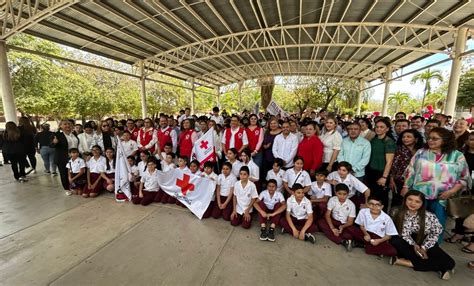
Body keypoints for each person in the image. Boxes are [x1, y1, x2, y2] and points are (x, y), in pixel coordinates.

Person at [402, 127, 472, 232]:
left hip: (443, 196)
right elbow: (410, 171)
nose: (430, 140)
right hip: (419, 195)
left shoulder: (457, 155)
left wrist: (451, 191)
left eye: (435, 138)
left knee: (437, 223)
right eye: (429, 138)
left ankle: (433, 246)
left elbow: (464, 177)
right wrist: (405, 186)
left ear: (445, 140)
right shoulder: (421, 152)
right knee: (416, 221)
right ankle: (414, 243)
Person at [390, 190, 455, 280]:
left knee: (450, 263)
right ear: (405, 199)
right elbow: (404, 234)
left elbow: (436, 232)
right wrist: (414, 245)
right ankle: (441, 267)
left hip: (425, 240)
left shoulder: (430, 216)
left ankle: (406, 262)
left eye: (417, 201)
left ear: (422, 203)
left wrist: (424, 247)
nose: (413, 203)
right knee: (396, 241)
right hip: (407, 241)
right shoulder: (397, 211)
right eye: (410, 199)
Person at [366, 118, 396, 211]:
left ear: (387, 129)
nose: (378, 129)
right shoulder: (374, 140)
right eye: (377, 127)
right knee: (372, 196)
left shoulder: (389, 142)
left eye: (382, 127)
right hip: (371, 171)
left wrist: (384, 177)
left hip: (382, 173)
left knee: (381, 198)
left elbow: (389, 162)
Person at [317, 183, 357, 251]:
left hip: (344, 224)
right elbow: (327, 215)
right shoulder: (332, 200)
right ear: (335, 193)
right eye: (339, 193)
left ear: (348, 194)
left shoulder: (351, 205)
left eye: (344, 194)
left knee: (352, 230)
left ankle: (345, 238)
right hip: (333, 221)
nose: (342, 196)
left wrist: (342, 227)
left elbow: (350, 221)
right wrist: (332, 228)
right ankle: (343, 241)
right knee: (321, 222)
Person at [389, 129, 424, 207]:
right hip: (399, 180)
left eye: (409, 137)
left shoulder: (422, 151)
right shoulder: (399, 149)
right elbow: (393, 166)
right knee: (397, 202)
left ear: (416, 139)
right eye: (403, 137)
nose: (405, 139)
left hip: (416, 181)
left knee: (412, 203)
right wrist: (391, 179)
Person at [51, 120, 79, 192]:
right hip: (63, 158)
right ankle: (66, 189)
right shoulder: (57, 135)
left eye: (69, 124)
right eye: (65, 124)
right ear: (60, 126)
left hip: (75, 158)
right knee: (64, 174)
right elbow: (51, 145)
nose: (67, 125)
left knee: (74, 172)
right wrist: (54, 143)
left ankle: (73, 186)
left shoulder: (74, 134)